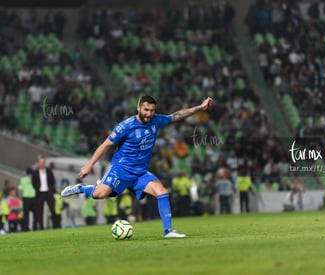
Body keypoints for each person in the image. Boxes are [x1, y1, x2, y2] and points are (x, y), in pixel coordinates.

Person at [62, 95, 213, 238]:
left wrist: (200, 107)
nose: (149, 114)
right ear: (138, 108)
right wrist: (89, 166)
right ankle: (81, 188)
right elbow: (105, 145)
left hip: (140, 173)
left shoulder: (156, 121)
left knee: (162, 191)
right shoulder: (126, 126)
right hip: (121, 170)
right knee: (98, 195)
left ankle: (168, 231)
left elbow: (177, 115)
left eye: (152, 110)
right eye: (146, 110)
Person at [32, 155, 58, 230]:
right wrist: (37, 189)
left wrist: (50, 188)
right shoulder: (35, 172)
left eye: (43, 162)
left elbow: (52, 180)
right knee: (40, 211)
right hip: (40, 193)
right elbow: (33, 183)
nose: (42, 164)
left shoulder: (49, 171)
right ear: (38, 163)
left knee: (52, 209)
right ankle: (41, 227)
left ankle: (55, 226)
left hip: (48, 192)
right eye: (40, 162)